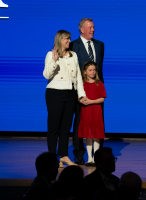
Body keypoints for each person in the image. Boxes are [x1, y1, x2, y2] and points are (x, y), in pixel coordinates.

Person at [43, 30, 86, 167]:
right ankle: (52, 157)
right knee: (54, 127)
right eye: (66, 39)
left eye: (69, 38)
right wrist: (54, 61)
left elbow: (78, 76)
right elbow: (46, 74)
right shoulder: (51, 54)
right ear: (60, 40)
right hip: (55, 93)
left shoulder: (73, 55)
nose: (69, 41)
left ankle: (64, 156)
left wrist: (81, 94)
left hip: (70, 94)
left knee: (66, 127)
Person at [69, 18, 105, 165]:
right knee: (80, 122)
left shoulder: (100, 45)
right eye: (89, 27)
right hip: (80, 90)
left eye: (93, 27)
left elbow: (99, 70)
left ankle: (98, 155)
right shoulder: (73, 45)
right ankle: (80, 154)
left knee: (98, 121)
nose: (93, 30)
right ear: (82, 29)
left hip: (96, 89)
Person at [78, 61, 106, 166]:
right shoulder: (82, 84)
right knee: (88, 135)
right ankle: (89, 158)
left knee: (96, 134)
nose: (93, 72)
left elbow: (102, 98)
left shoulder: (99, 84)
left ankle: (95, 157)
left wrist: (91, 101)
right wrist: (82, 101)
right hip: (86, 112)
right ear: (85, 72)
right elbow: (79, 97)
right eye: (90, 70)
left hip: (96, 111)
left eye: (94, 70)